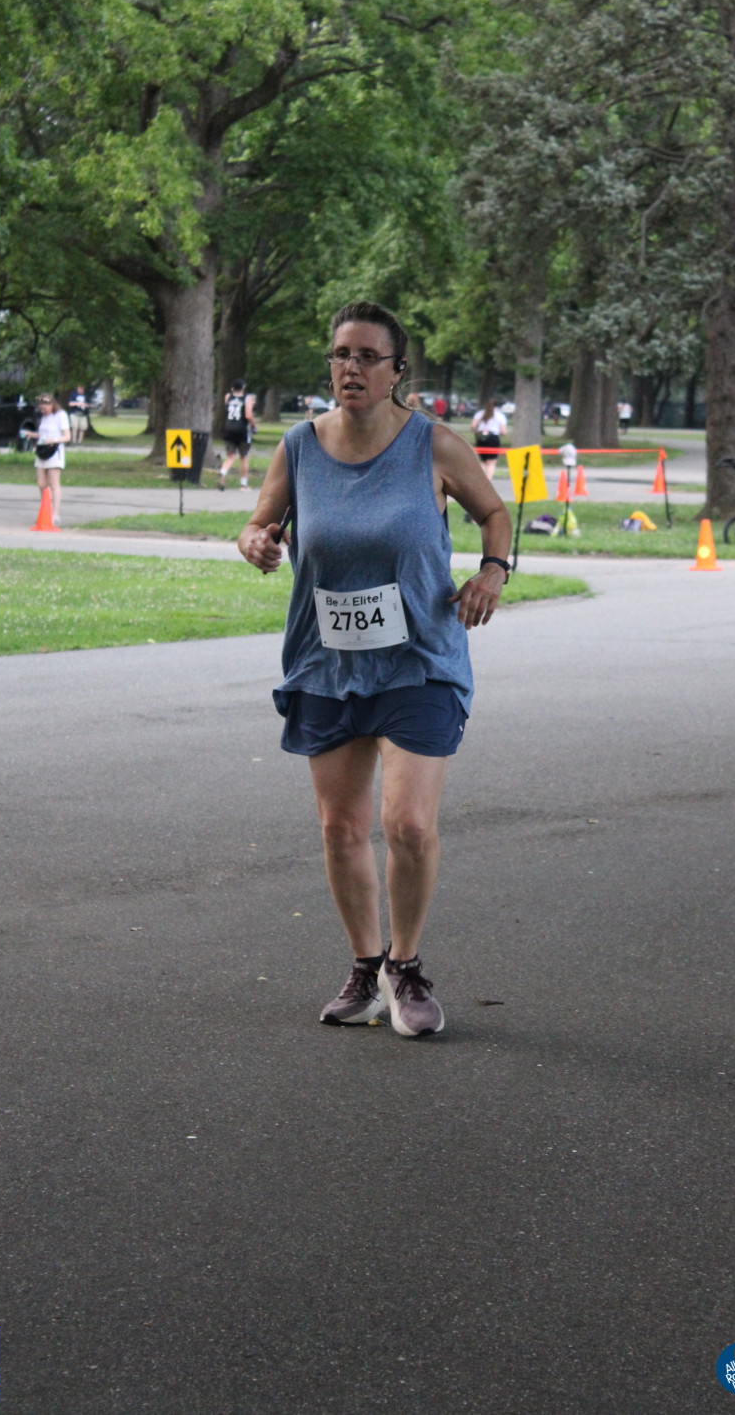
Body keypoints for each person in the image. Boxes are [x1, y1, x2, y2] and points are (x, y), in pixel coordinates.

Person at [238, 301, 512, 1039]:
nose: (350, 367)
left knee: (409, 824)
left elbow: (495, 513)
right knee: (340, 828)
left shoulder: (433, 444)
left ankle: (405, 966)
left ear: (397, 371)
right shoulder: (299, 447)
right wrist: (255, 541)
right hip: (327, 661)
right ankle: (365, 968)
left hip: (419, 657)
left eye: (366, 356)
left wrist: (492, 571)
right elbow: (260, 522)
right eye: (339, 355)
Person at [30, 393, 71, 527]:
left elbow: (67, 437)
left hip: (54, 451)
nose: (43, 410)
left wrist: (53, 440)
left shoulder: (61, 415)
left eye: (45, 407)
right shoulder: (42, 416)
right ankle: (45, 510)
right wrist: (32, 435)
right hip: (42, 451)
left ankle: (55, 514)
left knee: (54, 483)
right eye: (41, 408)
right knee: (41, 483)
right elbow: (42, 434)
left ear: (52, 404)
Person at [218, 380, 257, 490]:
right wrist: (254, 425)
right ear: (243, 388)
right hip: (242, 430)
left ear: (232, 388)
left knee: (230, 456)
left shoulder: (227, 397)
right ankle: (244, 484)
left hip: (228, 428)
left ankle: (222, 472)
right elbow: (248, 415)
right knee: (244, 457)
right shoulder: (247, 399)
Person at [471, 398, 508, 481]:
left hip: (481, 438)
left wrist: (477, 431)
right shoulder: (500, 416)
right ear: (497, 406)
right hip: (493, 438)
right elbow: (504, 431)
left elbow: (473, 426)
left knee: (483, 461)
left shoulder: (479, 414)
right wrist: (500, 434)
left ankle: (480, 480)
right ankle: (488, 481)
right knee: (491, 462)